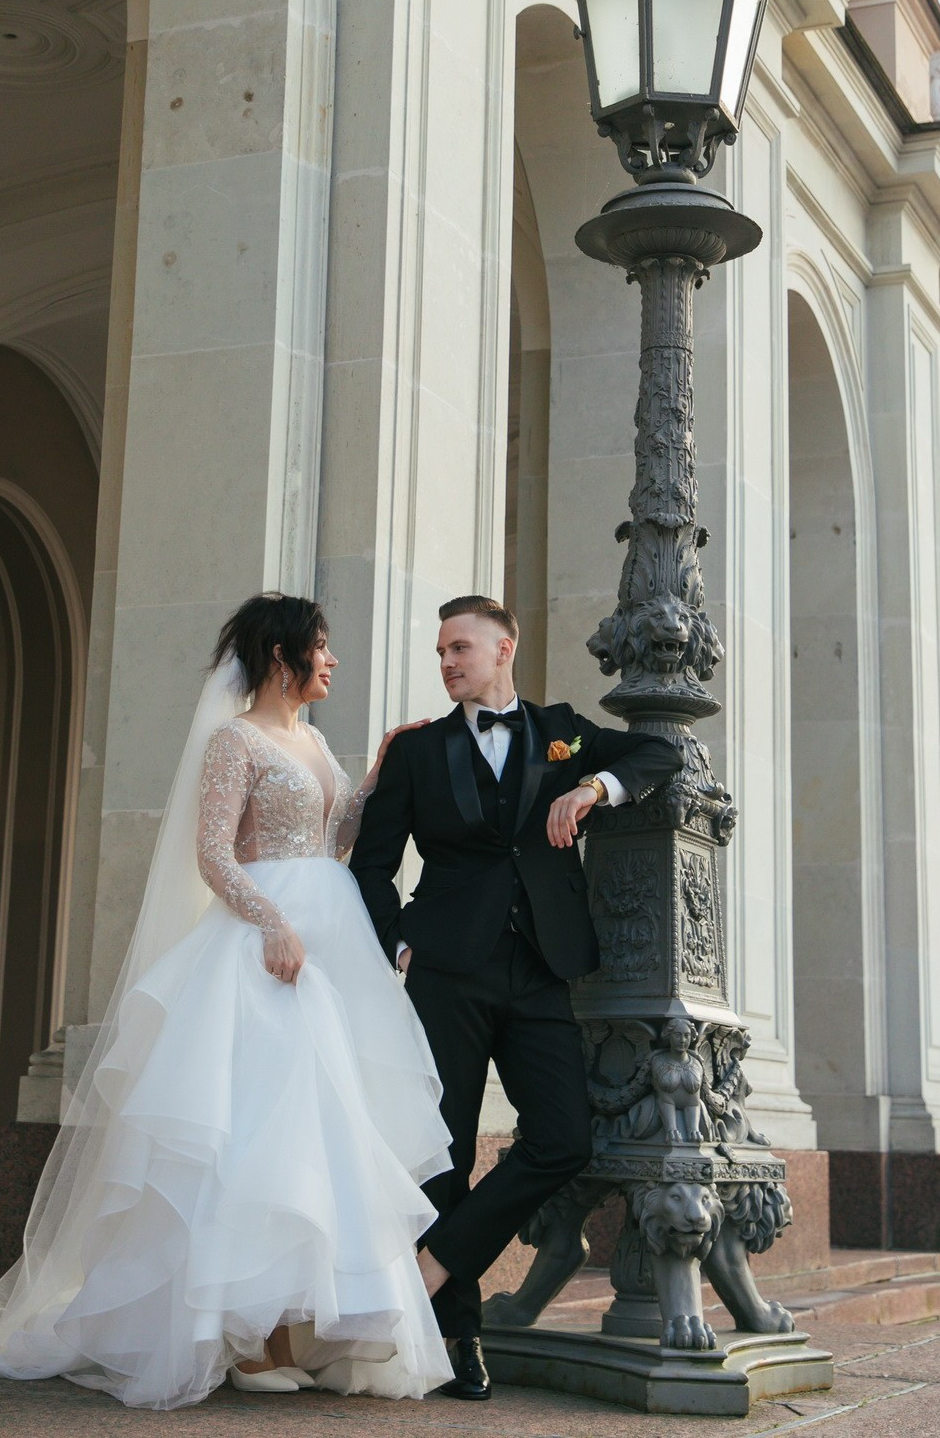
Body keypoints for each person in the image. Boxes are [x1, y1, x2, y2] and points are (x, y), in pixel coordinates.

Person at [0, 592, 453, 1409]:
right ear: (282, 658)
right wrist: (272, 924)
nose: (331, 662)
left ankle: (289, 1331)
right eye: (320, 649)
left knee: (319, 1134)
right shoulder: (234, 740)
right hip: (265, 949)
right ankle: (243, 1342)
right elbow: (215, 854)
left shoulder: (313, 739)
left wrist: (372, 776)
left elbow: (334, 837)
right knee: (255, 1132)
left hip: (332, 940)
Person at [349, 595, 682, 1401]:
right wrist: (398, 940)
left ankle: (432, 1267)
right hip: (446, 972)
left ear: (505, 649)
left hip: (541, 969)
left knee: (563, 1140)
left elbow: (655, 753)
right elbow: (371, 863)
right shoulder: (418, 752)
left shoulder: (560, 730)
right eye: (440, 652)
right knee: (446, 1153)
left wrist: (592, 789)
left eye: (460, 647)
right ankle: (457, 1340)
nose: (447, 662)